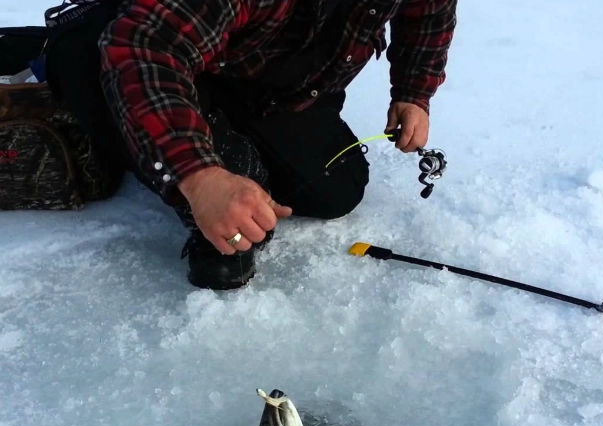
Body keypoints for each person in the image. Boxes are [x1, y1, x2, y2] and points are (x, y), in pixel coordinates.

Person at [88, 0, 457, 290]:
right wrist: (200, 176)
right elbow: (144, 45)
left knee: (333, 190)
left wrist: (413, 92)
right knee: (227, 237)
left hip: (273, 79)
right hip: (165, 53)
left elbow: (429, 12)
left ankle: (216, 137)